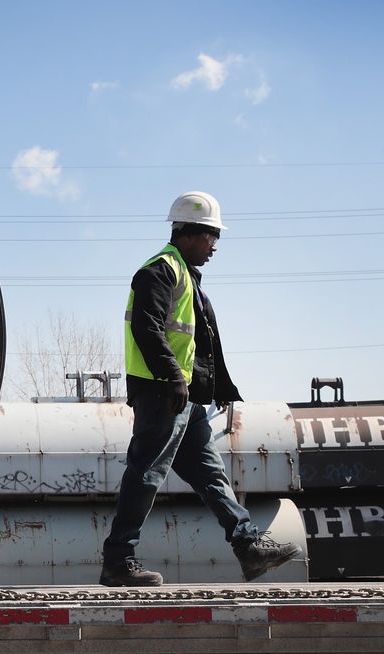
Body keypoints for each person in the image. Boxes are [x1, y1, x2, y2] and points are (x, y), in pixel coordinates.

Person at [101, 190, 302, 587]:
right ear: (189, 233)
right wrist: (174, 376)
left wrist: (214, 386)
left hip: (184, 397)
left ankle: (248, 548)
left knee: (211, 474)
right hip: (163, 393)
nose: (215, 246)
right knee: (145, 474)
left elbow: (198, 341)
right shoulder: (159, 271)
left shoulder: (186, 277)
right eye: (212, 236)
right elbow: (147, 328)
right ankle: (118, 561)